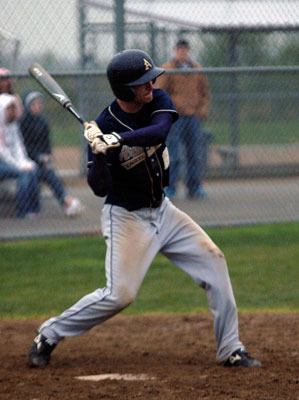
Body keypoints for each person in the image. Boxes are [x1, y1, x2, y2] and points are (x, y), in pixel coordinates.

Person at [27, 49, 260, 369]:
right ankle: (50, 333)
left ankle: (231, 348)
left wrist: (116, 140)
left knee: (214, 261)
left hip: (163, 211)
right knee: (119, 295)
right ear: (124, 89)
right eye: (142, 83)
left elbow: (160, 131)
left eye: (150, 80)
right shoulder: (104, 124)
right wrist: (98, 152)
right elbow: (99, 188)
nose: (151, 86)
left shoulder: (158, 101)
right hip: (126, 218)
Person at [156, 39, 212, 199]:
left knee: (195, 153)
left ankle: (194, 187)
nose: (182, 52)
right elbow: (160, 92)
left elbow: (205, 93)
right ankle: (170, 187)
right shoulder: (168, 69)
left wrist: (202, 111)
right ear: (175, 51)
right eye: (179, 49)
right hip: (175, 117)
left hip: (193, 116)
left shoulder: (197, 69)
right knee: (173, 154)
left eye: (185, 49)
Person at [20, 91, 83, 217]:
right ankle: (64, 202)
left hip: (41, 161)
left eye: (39, 104)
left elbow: (46, 144)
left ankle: (66, 201)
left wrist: (47, 155)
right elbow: (24, 147)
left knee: (51, 174)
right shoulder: (23, 122)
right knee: (36, 175)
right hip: (26, 160)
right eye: (34, 104)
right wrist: (38, 157)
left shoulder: (43, 122)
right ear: (28, 106)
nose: (38, 106)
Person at [0, 93, 39, 218]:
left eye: (14, 109)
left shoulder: (13, 125)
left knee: (32, 170)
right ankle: (22, 211)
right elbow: (3, 152)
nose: (13, 112)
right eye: (10, 109)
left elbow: (19, 146)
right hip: (2, 163)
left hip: (10, 162)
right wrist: (18, 165)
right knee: (23, 173)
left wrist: (24, 161)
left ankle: (33, 209)